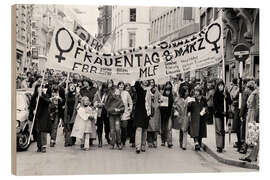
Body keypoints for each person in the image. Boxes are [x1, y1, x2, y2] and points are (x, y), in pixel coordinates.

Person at [29, 84, 52, 153]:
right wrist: (33, 110)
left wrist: (41, 97)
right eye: (39, 88)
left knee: (43, 130)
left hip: (44, 115)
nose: (40, 89)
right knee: (38, 130)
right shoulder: (33, 97)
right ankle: (39, 146)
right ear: (36, 89)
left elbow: (48, 102)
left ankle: (44, 146)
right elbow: (30, 106)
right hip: (37, 115)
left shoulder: (44, 96)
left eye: (41, 88)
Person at [213, 80, 232, 153]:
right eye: (219, 86)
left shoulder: (226, 93)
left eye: (222, 85)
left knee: (223, 130)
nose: (220, 87)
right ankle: (219, 146)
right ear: (217, 86)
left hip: (224, 115)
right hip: (218, 114)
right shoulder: (216, 94)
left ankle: (222, 145)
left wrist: (226, 96)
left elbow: (230, 102)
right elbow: (215, 105)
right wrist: (220, 111)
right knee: (219, 130)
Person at [187, 85, 208, 151]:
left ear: (200, 92)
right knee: (195, 130)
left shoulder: (203, 98)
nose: (196, 93)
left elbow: (206, 106)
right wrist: (189, 106)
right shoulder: (192, 98)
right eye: (195, 91)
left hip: (202, 116)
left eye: (197, 91)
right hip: (194, 116)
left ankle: (199, 142)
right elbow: (189, 107)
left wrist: (204, 110)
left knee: (201, 130)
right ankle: (196, 143)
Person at [133, 80, 151, 153]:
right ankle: (138, 146)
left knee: (144, 129)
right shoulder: (139, 89)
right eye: (144, 80)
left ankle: (143, 145)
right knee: (139, 128)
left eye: (147, 80)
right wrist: (138, 78)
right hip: (139, 111)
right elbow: (136, 85)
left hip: (146, 111)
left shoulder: (150, 90)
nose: (145, 81)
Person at [239, 80, 255, 154]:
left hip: (248, 113)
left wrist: (241, 115)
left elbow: (243, 105)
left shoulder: (246, 92)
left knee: (245, 130)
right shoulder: (255, 92)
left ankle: (244, 146)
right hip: (254, 114)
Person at [172, 85, 189, 150]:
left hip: (186, 116)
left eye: (188, 91)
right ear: (183, 92)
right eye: (186, 91)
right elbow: (174, 105)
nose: (187, 93)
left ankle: (184, 145)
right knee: (181, 130)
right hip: (180, 116)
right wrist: (176, 110)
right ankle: (181, 142)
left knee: (185, 130)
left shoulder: (189, 99)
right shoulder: (178, 99)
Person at [93, 82, 111, 147]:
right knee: (99, 127)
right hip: (99, 112)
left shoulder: (109, 94)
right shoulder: (98, 93)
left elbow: (111, 102)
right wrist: (99, 104)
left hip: (107, 112)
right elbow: (94, 102)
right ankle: (100, 141)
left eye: (106, 88)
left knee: (107, 126)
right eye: (104, 88)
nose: (105, 90)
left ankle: (107, 136)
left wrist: (106, 104)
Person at [118, 81, 133, 147]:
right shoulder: (115, 92)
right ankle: (118, 141)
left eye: (122, 85)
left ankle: (122, 141)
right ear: (118, 86)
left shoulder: (126, 93)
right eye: (120, 85)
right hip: (116, 113)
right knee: (117, 128)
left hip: (125, 113)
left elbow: (131, 102)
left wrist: (130, 109)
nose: (121, 86)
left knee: (124, 127)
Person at [160, 81, 174, 148]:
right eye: (166, 90)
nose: (167, 92)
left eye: (169, 90)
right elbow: (161, 105)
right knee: (163, 128)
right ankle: (163, 141)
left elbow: (173, 104)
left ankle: (169, 142)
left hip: (169, 114)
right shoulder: (163, 96)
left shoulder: (172, 96)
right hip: (163, 114)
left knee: (169, 128)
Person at [63, 82, 78, 147]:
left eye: (73, 86)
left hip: (74, 112)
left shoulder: (77, 95)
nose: (72, 87)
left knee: (73, 127)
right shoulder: (66, 94)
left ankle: (73, 140)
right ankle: (68, 141)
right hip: (68, 112)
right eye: (70, 86)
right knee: (67, 127)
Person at [147, 81, 161, 148]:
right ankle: (149, 141)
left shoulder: (157, 90)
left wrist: (159, 103)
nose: (152, 83)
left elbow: (160, 98)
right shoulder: (147, 90)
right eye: (151, 82)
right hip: (149, 110)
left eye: (153, 82)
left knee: (155, 126)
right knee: (149, 126)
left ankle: (155, 140)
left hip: (156, 110)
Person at [126, 83, 137, 148]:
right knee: (131, 127)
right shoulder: (129, 93)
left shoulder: (136, 93)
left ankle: (134, 141)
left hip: (134, 111)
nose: (133, 88)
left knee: (134, 127)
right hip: (130, 111)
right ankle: (132, 141)